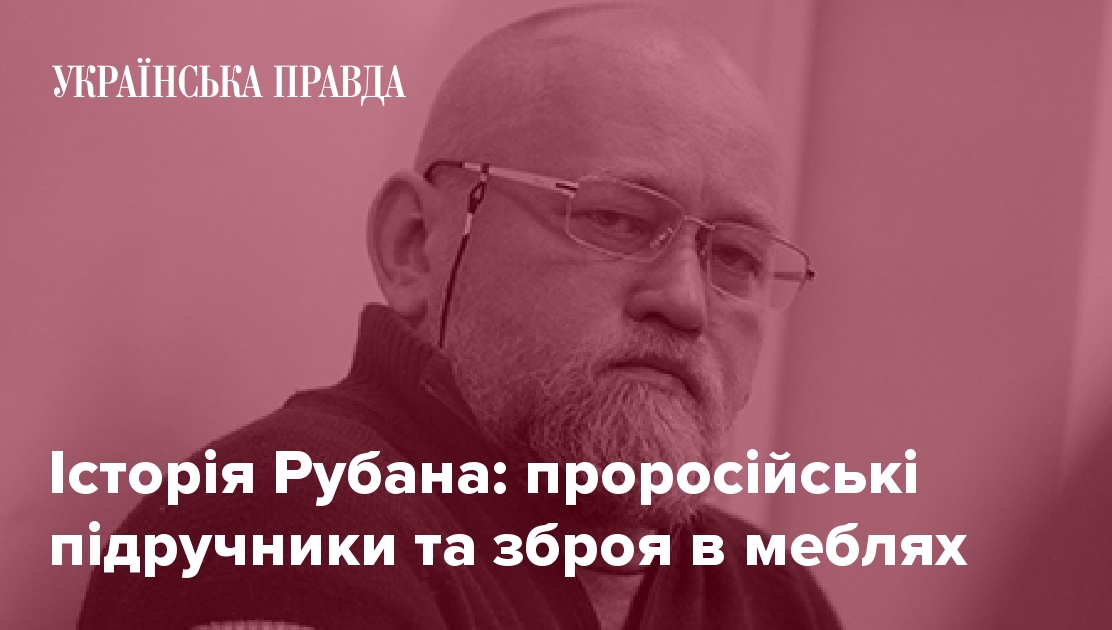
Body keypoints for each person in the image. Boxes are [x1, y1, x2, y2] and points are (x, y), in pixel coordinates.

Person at [79, 4, 838, 628]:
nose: (685, 301)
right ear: (415, 245)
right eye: (615, 219)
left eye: (736, 256)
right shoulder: (279, 521)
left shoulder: (771, 596)